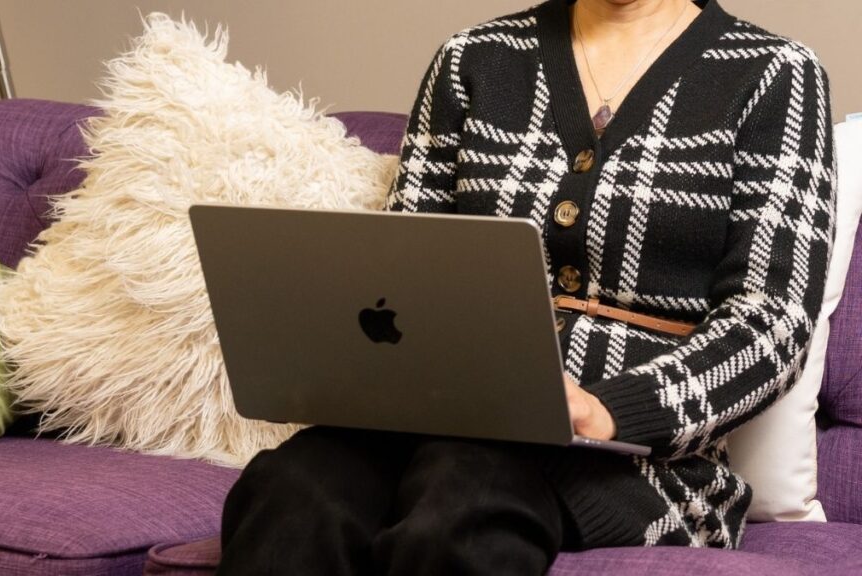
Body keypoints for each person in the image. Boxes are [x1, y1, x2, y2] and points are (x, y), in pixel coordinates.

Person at [217, 0, 835, 574]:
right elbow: (401, 272)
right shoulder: (472, 59)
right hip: (444, 411)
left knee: (463, 494)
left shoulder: (774, 75)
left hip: (646, 458)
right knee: (293, 487)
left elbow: (772, 321)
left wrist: (612, 409)